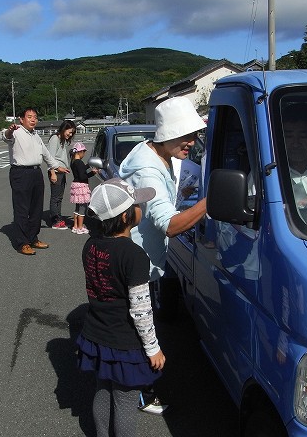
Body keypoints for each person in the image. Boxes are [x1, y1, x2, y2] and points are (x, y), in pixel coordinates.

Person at [118, 96, 208, 414]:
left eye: (194, 134)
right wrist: (210, 200)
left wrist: (181, 196)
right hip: (135, 261)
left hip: (141, 257)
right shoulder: (148, 170)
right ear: (167, 134)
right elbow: (170, 225)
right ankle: (139, 390)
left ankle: (134, 383)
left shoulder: (158, 156)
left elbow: (157, 204)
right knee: (138, 328)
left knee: (140, 323)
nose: (192, 142)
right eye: (186, 135)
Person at [76, 178, 165, 437]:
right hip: (125, 342)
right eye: (138, 204)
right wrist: (153, 348)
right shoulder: (134, 255)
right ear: (126, 215)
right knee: (125, 403)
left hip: (96, 334)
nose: (142, 208)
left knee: (102, 392)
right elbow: (140, 309)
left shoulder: (90, 245)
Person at [4, 108, 69, 255]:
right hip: (20, 173)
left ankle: (33, 238)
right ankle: (22, 243)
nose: (33, 119)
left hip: (36, 172)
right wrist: (10, 130)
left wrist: (57, 166)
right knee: (22, 209)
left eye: (35, 117)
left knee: (36, 208)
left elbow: (46, 154)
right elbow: (6, 137)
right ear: (21, 119)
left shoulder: (35, 135)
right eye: (29, 117)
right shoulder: (16, 131)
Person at [48, 120, 77, 229]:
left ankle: (58, 218)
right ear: (64, 128)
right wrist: (52, 173)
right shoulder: (55, 139)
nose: (70, 135)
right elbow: (50, 157)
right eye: (69, 132)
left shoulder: (62, 140)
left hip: (61, 171)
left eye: (72, 133)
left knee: (59, 197)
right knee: (55, 197)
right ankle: (55, 220)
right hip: (55, 171)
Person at [69, 142, 96, 234]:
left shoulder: (73, 162)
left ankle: (75, 226)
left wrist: (87, 165)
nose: (84, 154)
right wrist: (92, 173)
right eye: (84, 152)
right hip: (81, 186)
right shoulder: (79, 162)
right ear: (80, 152)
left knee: (77, 208)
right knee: (82, 208)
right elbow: (82, 176)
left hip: (75, 185)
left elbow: (81, 170)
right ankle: (80, 227)